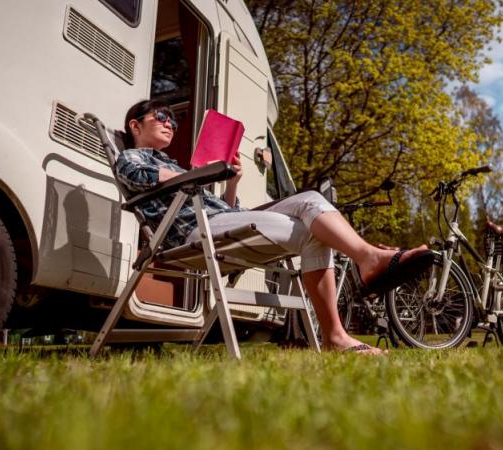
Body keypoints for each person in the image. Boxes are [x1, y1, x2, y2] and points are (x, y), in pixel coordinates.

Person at [116, 99, 433, 355]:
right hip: (191, 235)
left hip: (215, 222)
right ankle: (344, 316)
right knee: (313, 230)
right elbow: (135, 177)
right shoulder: (131, 156)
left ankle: (364, 268)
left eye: (173, 118)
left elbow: (229, 211)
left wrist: (230, 182)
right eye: (161, 116)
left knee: (309, 201)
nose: (170, 122)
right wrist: (201, 175)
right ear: (135, 125)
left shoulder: (175, 166)